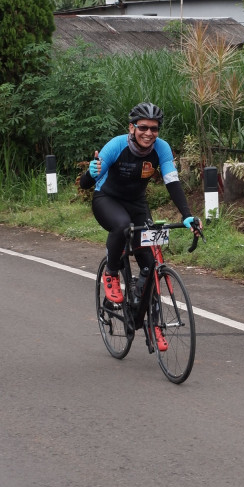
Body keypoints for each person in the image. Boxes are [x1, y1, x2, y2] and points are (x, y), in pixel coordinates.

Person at [79, 102, 201, 348]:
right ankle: (111, 273)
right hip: (107, 199)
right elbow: (85, 184)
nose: (149, 133)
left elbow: (172, 182)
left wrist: (187, 215)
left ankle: (152, 323)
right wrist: (91, 172)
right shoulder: (116, 146)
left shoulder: (162, 148)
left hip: (137, 204)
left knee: (150, 264)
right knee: (122, 226)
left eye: (154, 128)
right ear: (132, 128)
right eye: (143, 127)